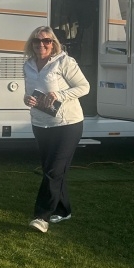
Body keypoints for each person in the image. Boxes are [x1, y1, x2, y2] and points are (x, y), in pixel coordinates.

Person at [23, 26, 90, 233]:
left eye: (47, 41)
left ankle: (41, 217)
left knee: (53, 171)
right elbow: (29, 92)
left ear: (53, 44)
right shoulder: (28, 65)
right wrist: (27, 99)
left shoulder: (64, 62)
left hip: (67, 124)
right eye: (37, 41)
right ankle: (63, 209)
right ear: (32, 43)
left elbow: (84, 87)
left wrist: (59, 95)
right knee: (52, 170)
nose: (41, 44)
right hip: (41, 124)